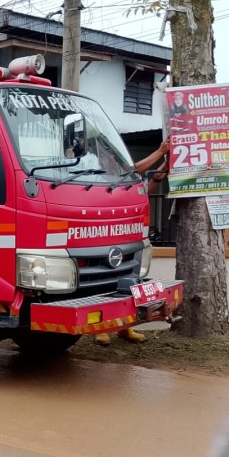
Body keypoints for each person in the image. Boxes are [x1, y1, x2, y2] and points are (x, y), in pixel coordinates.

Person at [95, 138, 169, 347]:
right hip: (105, 240)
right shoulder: (101, 176)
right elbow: (132, 169)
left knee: (129, 283)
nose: (110, 159)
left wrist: (165, 165)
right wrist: (159, 151)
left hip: (129, 238)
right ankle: (101, 330)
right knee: (105, 284)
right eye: (110, 156)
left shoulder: (128, 181)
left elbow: (149, 185)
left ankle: (125, 328)